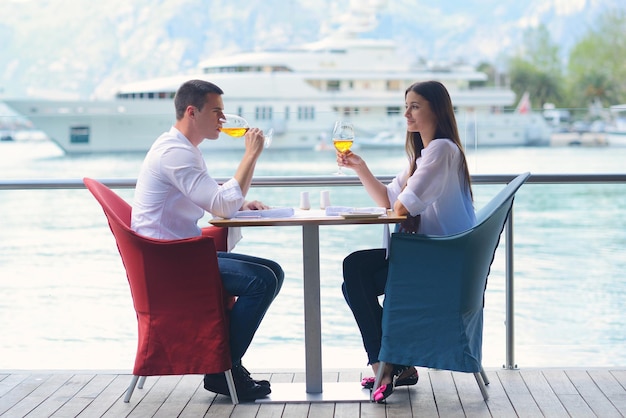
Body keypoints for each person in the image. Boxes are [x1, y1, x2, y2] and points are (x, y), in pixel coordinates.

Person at [131, 79, 284, 401]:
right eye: (216, 112)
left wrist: (240, 203)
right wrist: (251, 155)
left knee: (273, 272)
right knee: (261, 282)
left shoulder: (182, 149)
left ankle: (225, 365)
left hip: (181, 253)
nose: (223, 121)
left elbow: (212, 196)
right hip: (169, 261)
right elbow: (220, 205)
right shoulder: (175, 153)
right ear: (192, 111)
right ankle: (222, 368)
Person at [336, 80, 476, 403]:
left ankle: (383, 367)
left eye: (415, 106)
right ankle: (396, 364)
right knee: (353, 280)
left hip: (440, 263)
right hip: (433, 257)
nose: (406, 114)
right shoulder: (427, 154)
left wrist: (397, 202)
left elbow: (401, 207)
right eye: (406, 106)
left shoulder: (441, 151)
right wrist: (360, 167)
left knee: (354, 269)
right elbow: (389, 198)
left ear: (436, 111)